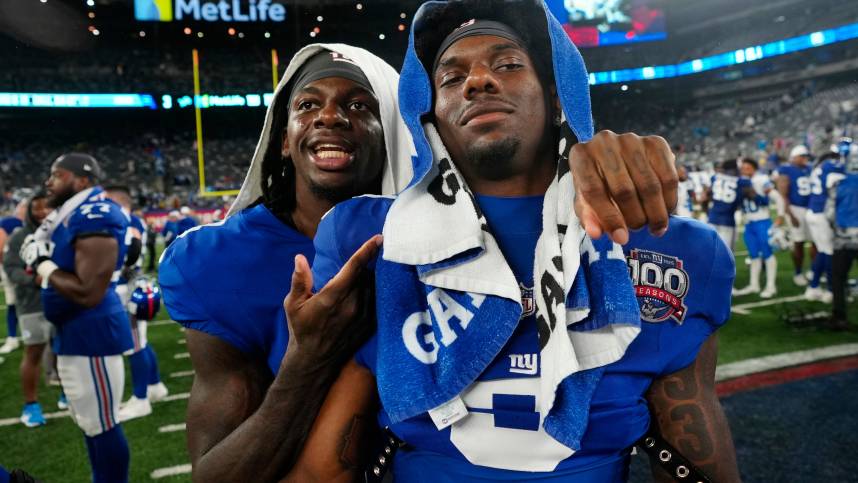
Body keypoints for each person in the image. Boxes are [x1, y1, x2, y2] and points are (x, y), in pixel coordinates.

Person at [289, 2, 738, 481]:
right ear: (429, 115)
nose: (478, 81)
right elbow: (327, 466)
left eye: (507, 64)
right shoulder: (367, 238)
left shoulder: (669, 245)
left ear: (555, 92)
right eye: (450, 77)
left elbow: (690, 447)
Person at [159, 45, 416, 482]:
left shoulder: (440, 244)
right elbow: (216, 475)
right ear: (282, 140)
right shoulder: (219, 262)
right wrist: (309, 358)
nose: (329, 116)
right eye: (308, 104)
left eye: (358, 105)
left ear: (392, 132)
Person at [21, 153, 133, 483]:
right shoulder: (70, 215)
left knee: (102, 425)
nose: (48, 182)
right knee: (90, 422)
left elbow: (88, 292)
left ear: (81, 180)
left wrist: (43, 264)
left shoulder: (93, 213)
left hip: (92, 335)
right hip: (75, 332)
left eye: (57, 175)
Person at [104, 186, 168, 422]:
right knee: (141, 341)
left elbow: (130, 253)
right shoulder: (133, 220)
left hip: (124, 286)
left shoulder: (124, 220)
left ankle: (140, 399)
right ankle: (154, 385)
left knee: (134, 345)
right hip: (132, 283)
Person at [3, 191, 53, 427]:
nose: (43, 212)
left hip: (59, 302)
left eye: (47, 207)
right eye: (38, 208)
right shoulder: (18, 237)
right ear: (30, 211)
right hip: (31, 304)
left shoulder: (59, 233)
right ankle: (31, 405)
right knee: (33, 353)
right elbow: (11, 269)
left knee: (62, 350)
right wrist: (33, 279)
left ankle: (66, 394)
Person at [733, 158, 779, 298]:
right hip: (749, 223)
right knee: (753, 255)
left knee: (767, 253)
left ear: (754, 168)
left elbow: (776, 197)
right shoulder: (740, 182)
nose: (744, 170)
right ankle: (754, 285)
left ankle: (771, 286)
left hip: (762, 221)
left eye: (747, 167)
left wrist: (781, 217)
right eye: (743, 168)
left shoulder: (761, 179)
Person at [804, 151, 846, 302]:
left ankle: (813, 287)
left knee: (822, 251)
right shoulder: (832, 167)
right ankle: (830, 290)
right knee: (830, 252)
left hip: (812, 212)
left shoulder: (818, 167)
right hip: (823, 214)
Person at [826, 152, 857, 329]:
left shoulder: (838, 185)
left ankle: (840, 316)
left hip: (842, 239)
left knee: (838, 278)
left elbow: (829, 213)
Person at [776, 145, 814, 286]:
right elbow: (783, 194)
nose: (805, 159)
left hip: (810, 208)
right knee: (798, 242)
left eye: (806, 156)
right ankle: (798, 272)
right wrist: (790, 214)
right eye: (802, 156)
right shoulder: (786, 170)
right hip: (795, 208)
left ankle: (813, 270)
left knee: (815, 241)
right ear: (794, 157)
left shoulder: (810, 169)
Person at [0, 199, 26, 355]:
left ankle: (13, 337)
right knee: (14, 303)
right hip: (18, 268)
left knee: (15, 303)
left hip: (19, 268)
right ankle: (12, 337)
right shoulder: (11, 222)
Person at [703, 159, 741, 251]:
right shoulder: (740, 181)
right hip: (727, 221)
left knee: (712, 252)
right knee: (727, 254)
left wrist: (707, 212)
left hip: (712, 219)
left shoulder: (714, 178)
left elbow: (704, 198)